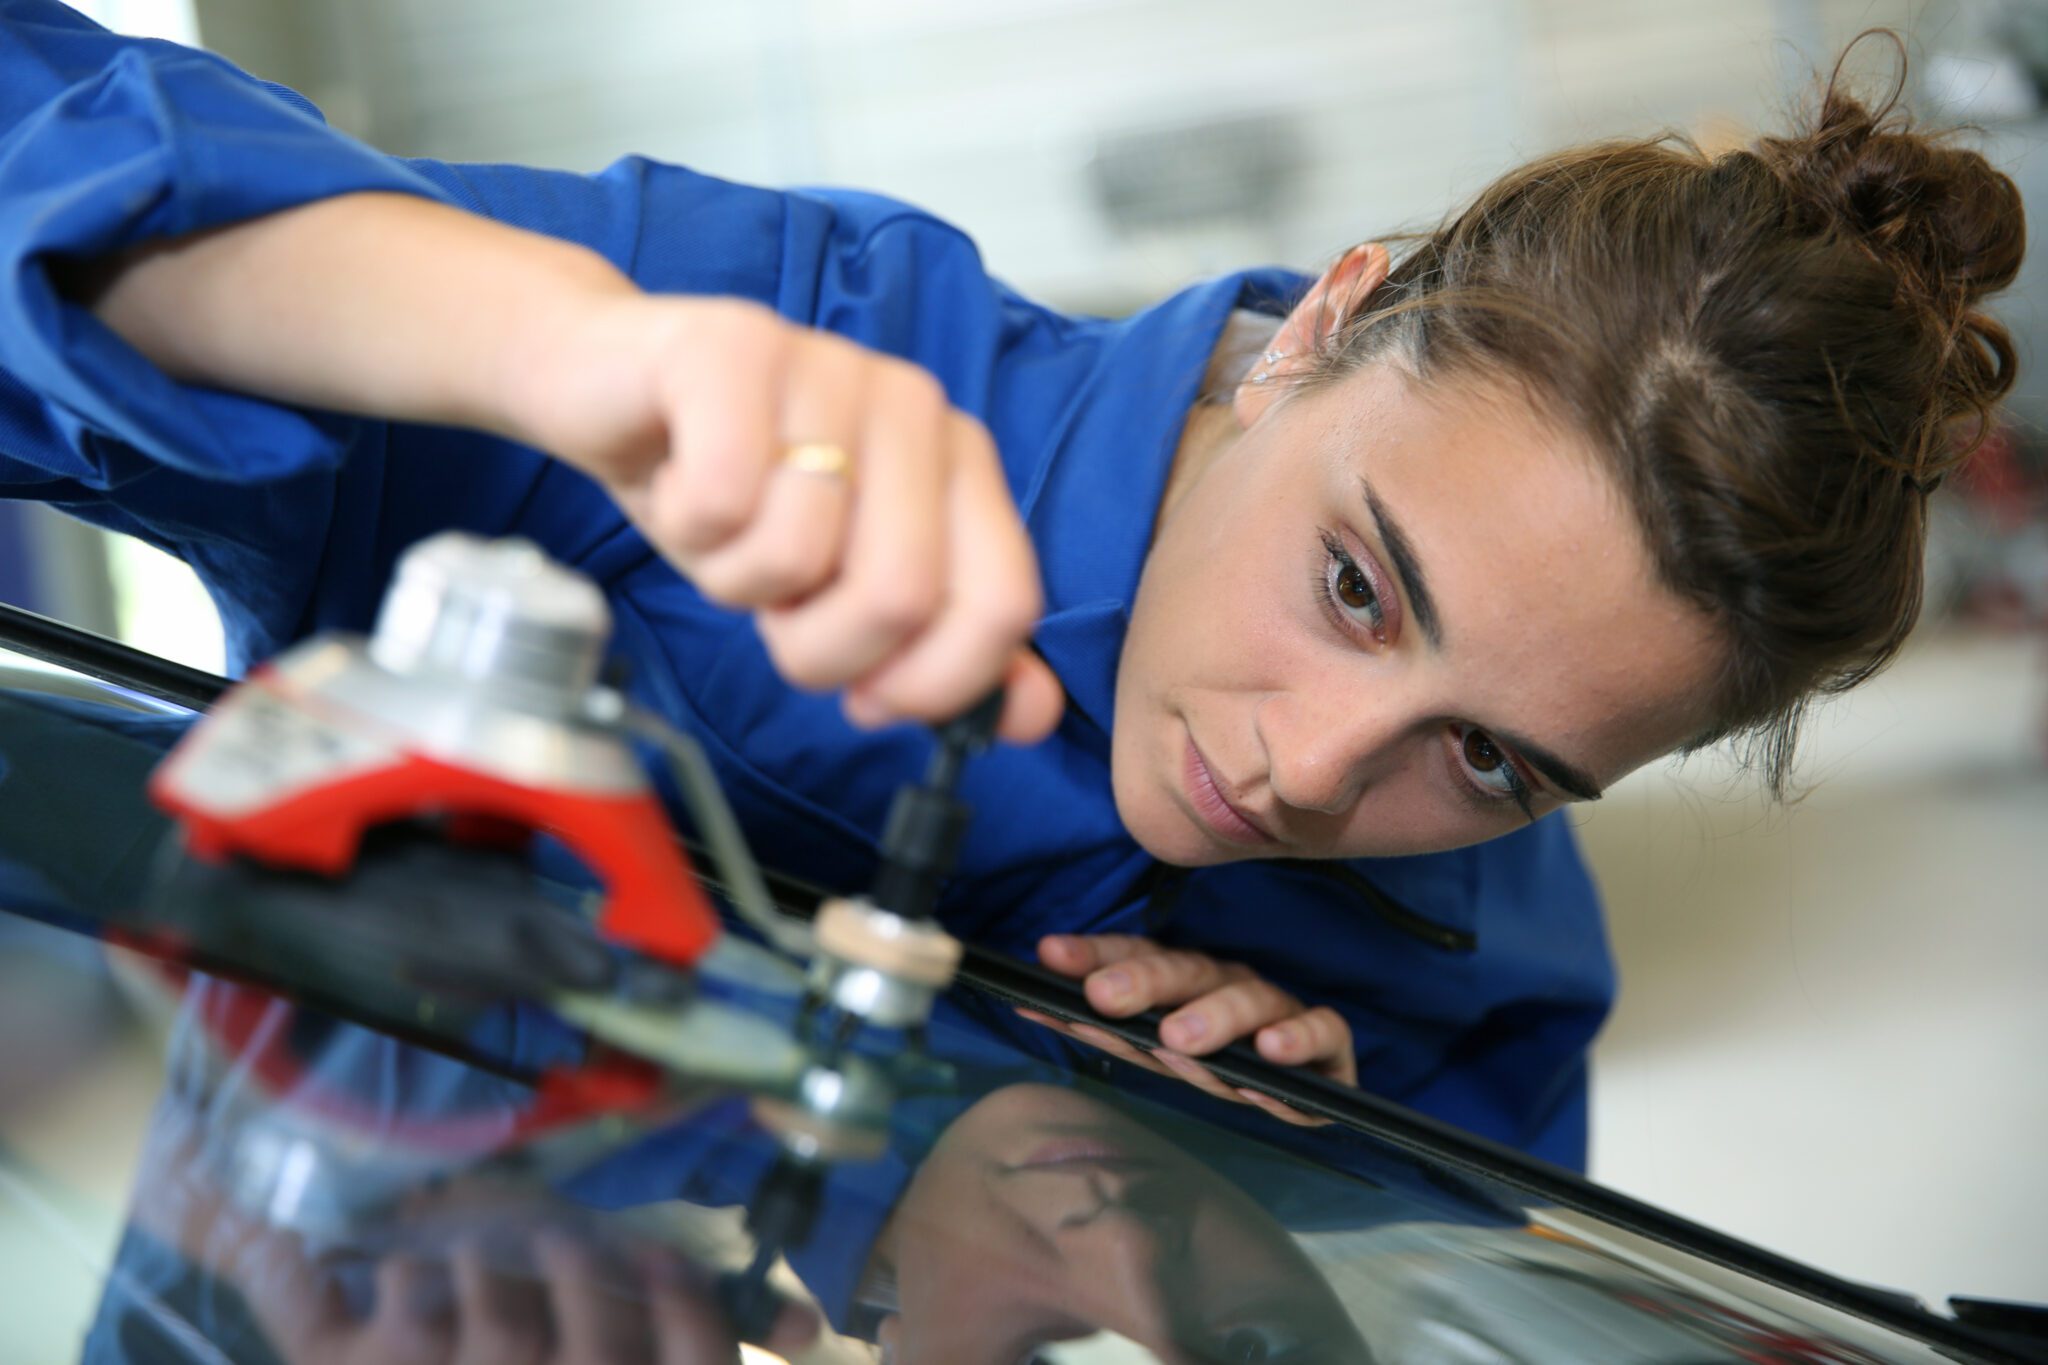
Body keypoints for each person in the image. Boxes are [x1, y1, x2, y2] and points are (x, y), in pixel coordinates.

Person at [0, 1, 2022, 1167]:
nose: (1313, 775)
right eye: (1350, 581)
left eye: (1492, 759)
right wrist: (569, 357)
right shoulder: (779, 332)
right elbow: (48, 139)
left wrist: (1253, 1215)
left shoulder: (1491, 977)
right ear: (1314, 329)